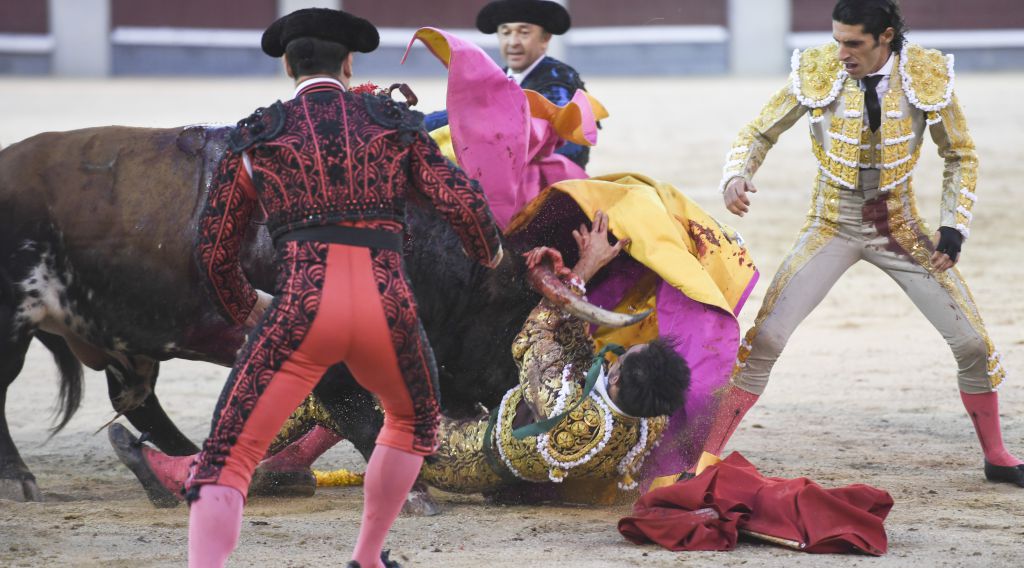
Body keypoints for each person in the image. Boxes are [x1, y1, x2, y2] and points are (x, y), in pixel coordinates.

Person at [118, 8, 503, 568]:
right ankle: (368, 557)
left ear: (287, 67)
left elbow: (214, 246)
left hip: (302, 310)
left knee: (231, 455)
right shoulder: (393, 123)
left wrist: (246, 309)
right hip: (389, 312)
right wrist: (487, 251)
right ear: (350, 64)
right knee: (411, 422)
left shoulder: (259, 134)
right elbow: (462, 203)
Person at [701, 0, 1022, 487]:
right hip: (831, 221)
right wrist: (737, 175)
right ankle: (705, 455)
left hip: (900, 227)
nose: (841, 53)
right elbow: (758, 131)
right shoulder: (817, 69)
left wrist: (953, 225)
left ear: (885, 38)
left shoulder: (927, 73)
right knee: (765, 338)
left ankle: (997, 456)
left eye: (853, 43)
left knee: (973, 343)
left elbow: (960, 154)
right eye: (837, 40)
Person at [423, 0, 593, 168]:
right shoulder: (496, 79)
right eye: (505, 33)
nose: (513, 42)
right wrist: (417, 122)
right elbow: (463, 114)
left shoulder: (558, 80)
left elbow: (562, 145)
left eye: (524, 33)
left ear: (545, 39)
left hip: (549, 185)